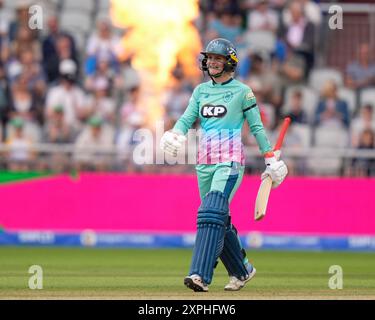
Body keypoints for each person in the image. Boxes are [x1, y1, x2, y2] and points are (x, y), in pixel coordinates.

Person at [159, 38, 288, 292]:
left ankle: (200, 275)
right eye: (210, 58)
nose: (213, 62)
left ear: (230, 62)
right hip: (204, 162)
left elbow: (257, 128)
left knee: (210, 212)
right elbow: (187, 119)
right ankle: (243, 270)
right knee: (219, 218)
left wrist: (271, 158)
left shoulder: (243, 92)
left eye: (218, 58)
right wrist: (175, 133)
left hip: (229, 160)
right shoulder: (200, 91)